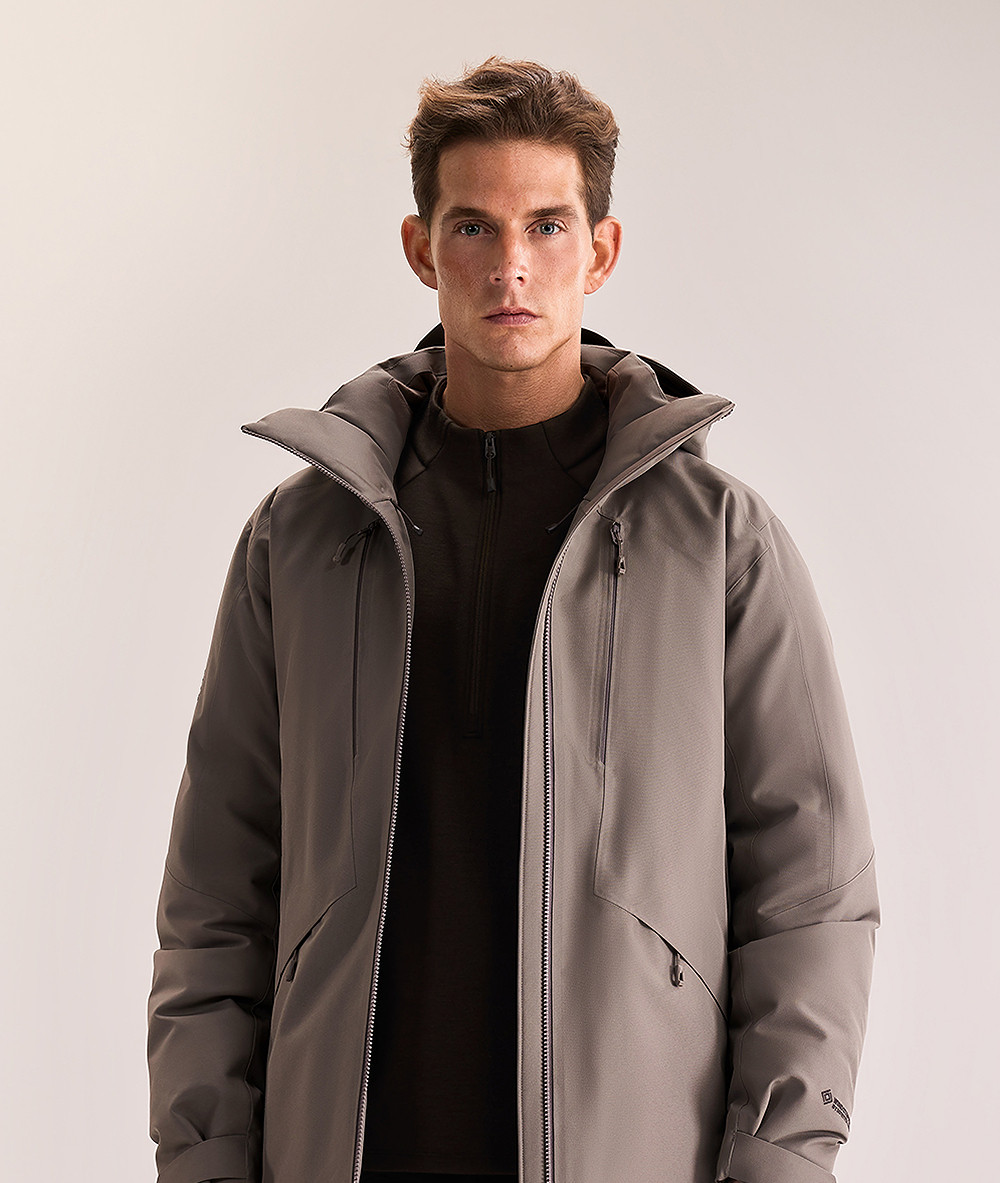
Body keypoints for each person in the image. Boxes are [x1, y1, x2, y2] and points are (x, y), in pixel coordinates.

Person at [146, 55, 879, 1183]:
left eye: (546, 225)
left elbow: (810, 896)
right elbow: (215, 896)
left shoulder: (718, 543)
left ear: (601, 249)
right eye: (473, 228)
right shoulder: (300, 541)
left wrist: (778, 1160)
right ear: (420, 248)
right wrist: (203, 1157)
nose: (510, 268)